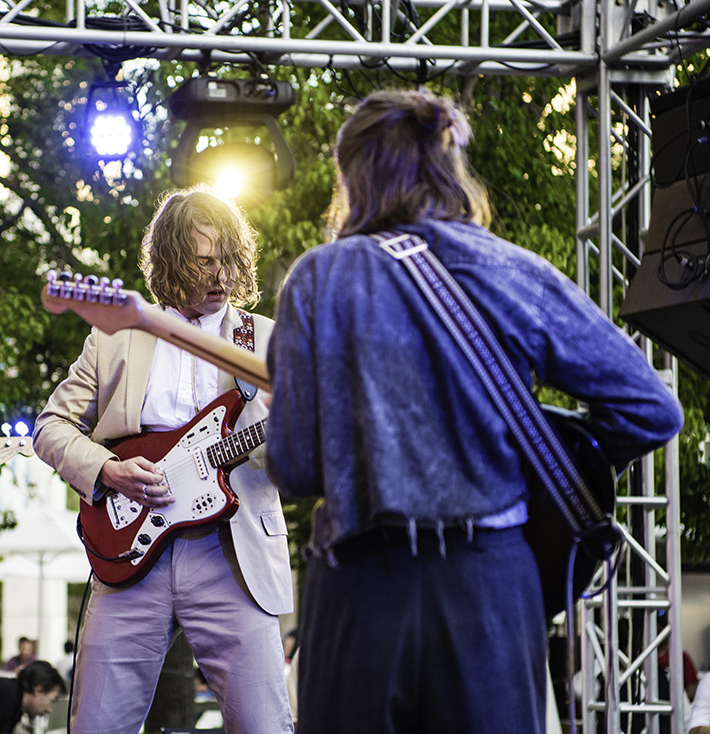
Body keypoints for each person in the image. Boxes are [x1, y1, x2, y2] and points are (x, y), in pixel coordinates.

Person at [266, 89, 685, 733]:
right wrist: (539, 460)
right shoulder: (512, 268)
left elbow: (294, 469)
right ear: (448, 168)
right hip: (491, 581)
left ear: (353, 176)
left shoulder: (319, 278)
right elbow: (651, 410)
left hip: (361, 585)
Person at [32, 186, 294, 734]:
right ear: (171, 261)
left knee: (265, 725)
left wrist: (298, 430)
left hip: (233, 554)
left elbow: (296, 456)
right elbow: (50, 427)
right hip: (129, 553)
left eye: (229, 259)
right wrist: (107, 470)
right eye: (204, 261)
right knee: (97, 726)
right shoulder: (115, 337)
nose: (221, 274)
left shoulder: (267, 340)